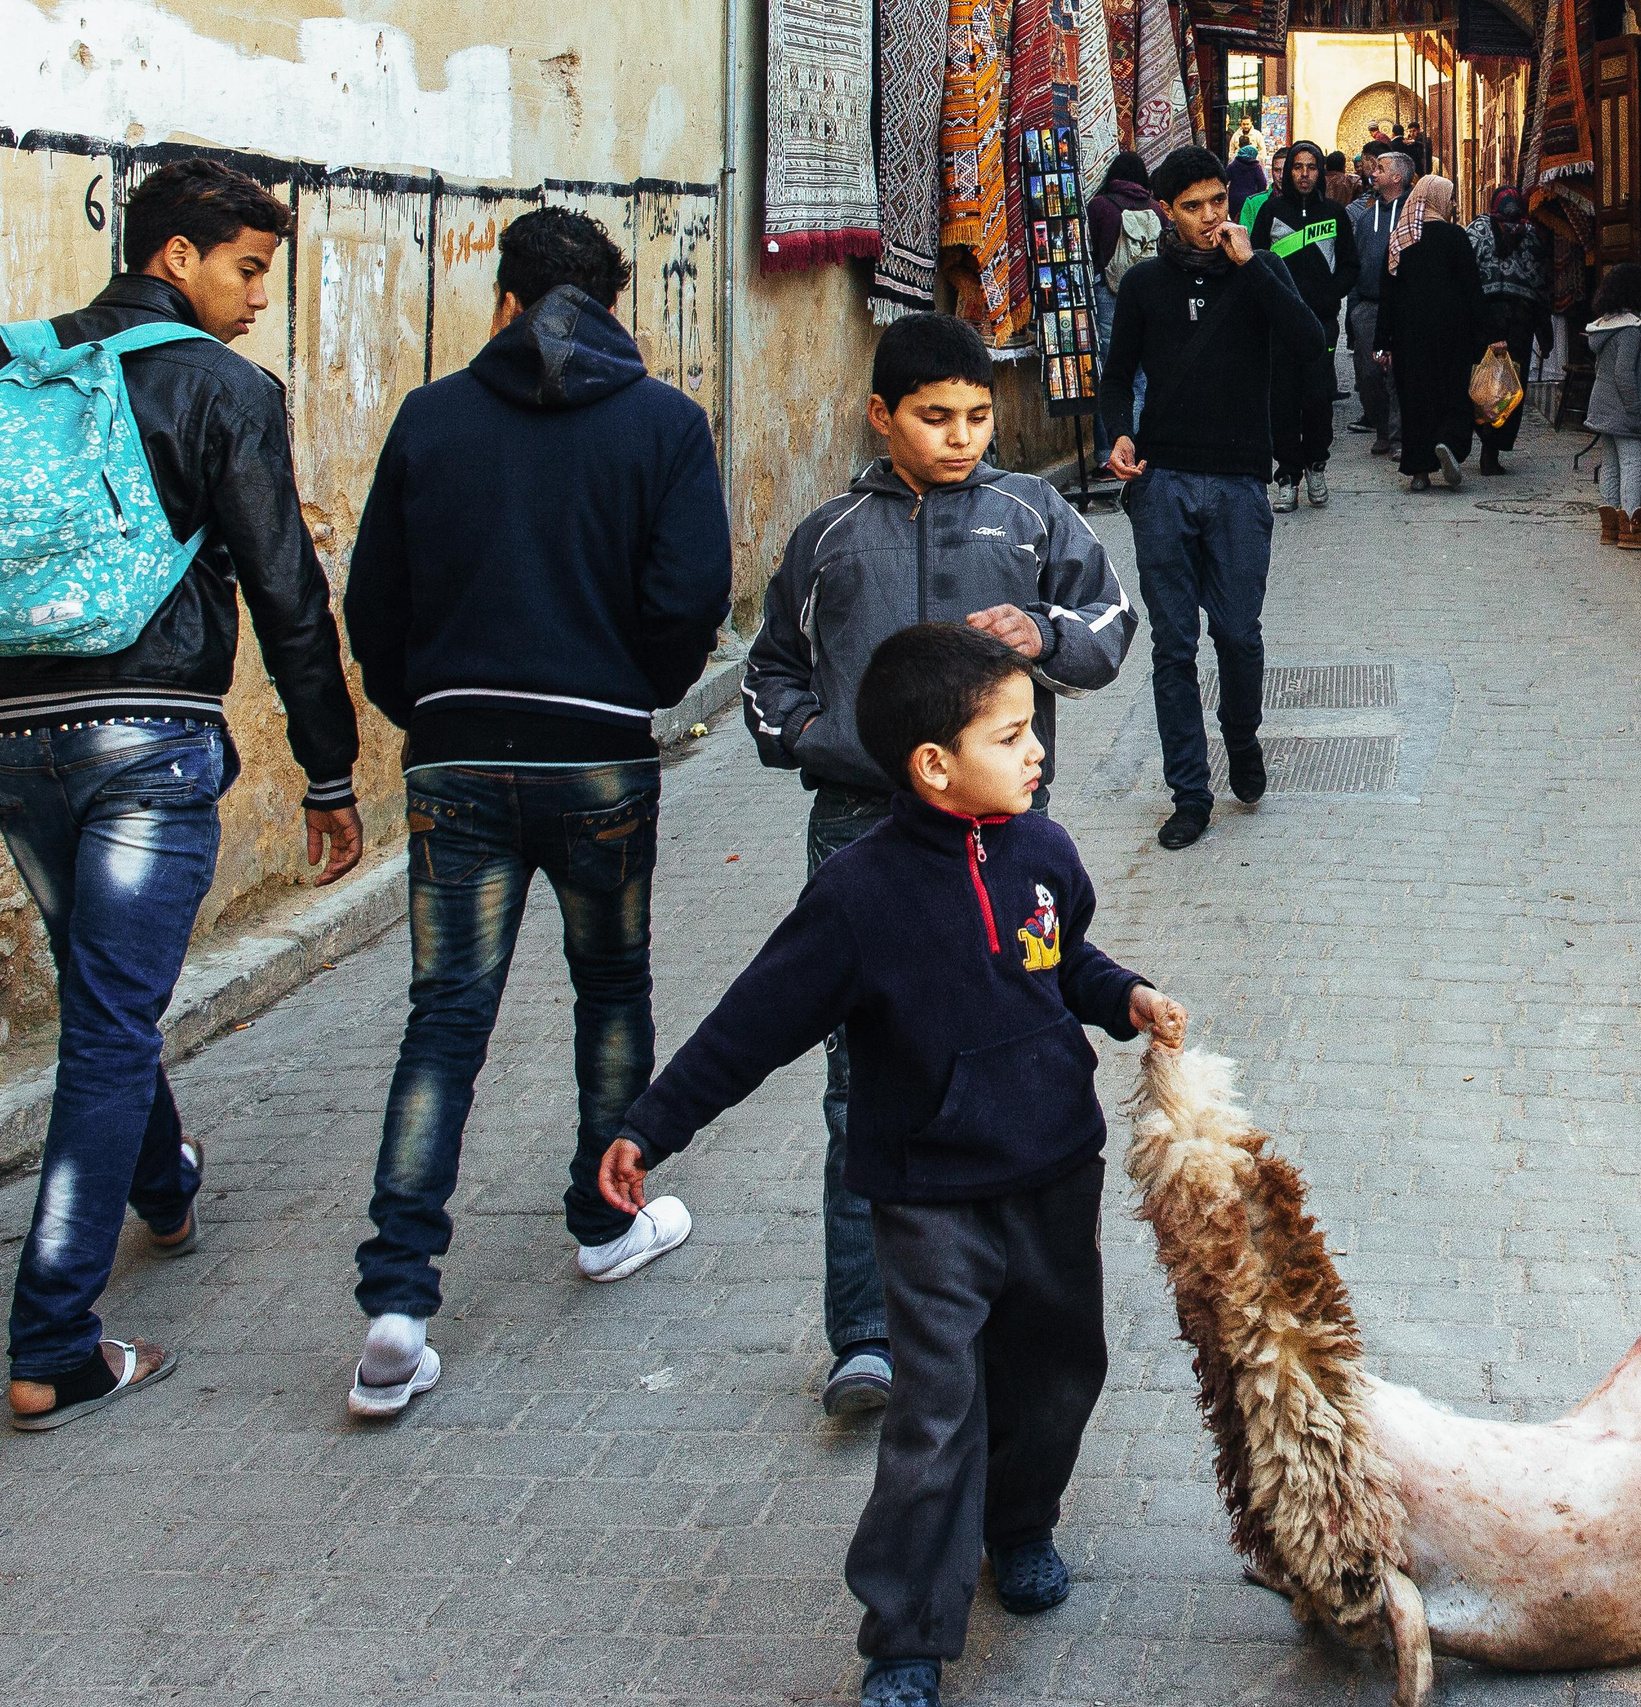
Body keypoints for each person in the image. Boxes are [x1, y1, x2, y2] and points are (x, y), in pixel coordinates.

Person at [600, 622, 1187, 1707]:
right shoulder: (859, 896)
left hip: (1057, 1172)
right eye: (1011, 736)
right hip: (927, 1198)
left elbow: (1065, 965)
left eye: (1032, 731)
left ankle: (1019, 1527)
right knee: (936, 1410)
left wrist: (1125, 997)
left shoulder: (1044, 853)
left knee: (1059, 1375)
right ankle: (907, 1634)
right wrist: (652, 1124)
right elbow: (754, 1021)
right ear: (933, 765)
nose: (1036, 752)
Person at [339, 207, 732, 1417]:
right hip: (600, 758)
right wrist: (631, 695)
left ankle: (398, 1299)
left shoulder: (431, 414)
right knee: (610, 988)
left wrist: (432, 712)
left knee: (444, 1018)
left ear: (502, 301)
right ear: (614, 304)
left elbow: (375, 604)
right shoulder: (664, 423)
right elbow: (692, 596)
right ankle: (603, 1221)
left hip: (454, 755)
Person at [0, 159, 364, 1432]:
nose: (259, 297)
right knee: (108, 1024)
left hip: (14, 736)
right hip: (146, 740)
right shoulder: (221, 389)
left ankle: (163, 1183)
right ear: (175, 259)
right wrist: (331, 769)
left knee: (104, 985)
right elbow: (285, 592)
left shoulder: (21, 368)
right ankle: (52, 1339)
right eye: (249, 269)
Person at [740, 313, 1132, 1418]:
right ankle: (865, 1332)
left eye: (974, 417)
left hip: (1005, 844)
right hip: (860, 832)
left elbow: (1110, 621)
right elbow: (773, 668)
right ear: (882, 416)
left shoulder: (1032, 514)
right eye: (933, 418)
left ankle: (1012, 1305)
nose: (960, 438)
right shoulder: (829, 535)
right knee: (861, 1078)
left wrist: (1045, 638)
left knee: (1021, 1046)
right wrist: (814, 740)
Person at [1100, 146, 1326, 851]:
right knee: (1173, 646)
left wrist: (1252, 264)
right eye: (1193, 206)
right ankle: (1189, 794)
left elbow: (1310, 342)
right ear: (1166, 209)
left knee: (1236, 632)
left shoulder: (1260, 272)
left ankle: (1243, 737)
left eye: (1218, 204)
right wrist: (1118, 435)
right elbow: (1116, 378)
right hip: (1163, 483)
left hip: (1236, 484)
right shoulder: (1143, 287)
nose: (1208, 219)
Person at [1249, 140, 1355, 512]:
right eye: (1297, 167)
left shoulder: (1336, 215)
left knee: (1316, 398)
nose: (1304, 174)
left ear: (1320, 172)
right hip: (1279, 328)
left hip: (1321, 325)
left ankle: (1316, 466)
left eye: (1311, 167)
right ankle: (1287, 476)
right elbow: (1256, 264)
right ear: (1287, 172)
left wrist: (1330, 295)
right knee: (1282, 401)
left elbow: (1349, 267)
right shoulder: (1270, 212)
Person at [1375, 173, 1488, 493]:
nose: (1453, 204)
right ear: (1437, 200)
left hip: (1409, 337)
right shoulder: (1455, 237)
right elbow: (1472, 289)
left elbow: (1388, 293)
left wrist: (1382, 341)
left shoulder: (1400, 238)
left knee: (1415, 401)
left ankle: (1419, 472)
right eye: (1450, 198)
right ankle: (1449, 446)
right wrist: (1487, 332)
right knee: (1452, 394)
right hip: (1453, 334)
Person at [1581, 262, 1641, 550]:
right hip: (1623, 411)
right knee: (1634, 462)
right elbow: (1623, 373)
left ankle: (1610, 525)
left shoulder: (1604, 327)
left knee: (1610, 464)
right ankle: (1631, 525)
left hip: (1603, 407)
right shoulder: (1630, 329)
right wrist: (1634, 408)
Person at [1467, 187, 1551, 475]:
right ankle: (1492, 450)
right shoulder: (1532, 237)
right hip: (1519, 322)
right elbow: (1540, 286)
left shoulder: (1476, 230)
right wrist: (1545, 332)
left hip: (1481, 319)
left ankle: (1477, 435)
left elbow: (1465, 275)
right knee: (1510, 385)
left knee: (1480, 379)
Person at [1345, 151, 1413, 455]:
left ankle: (1399, 436)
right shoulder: (1366, 214)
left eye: (1381, 169)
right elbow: (1356, 260)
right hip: (1368, 306)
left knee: (1401, 373)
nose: (1374, 173)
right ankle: (1381, 427)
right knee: (1369, 373)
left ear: (1397, 177)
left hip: (1402, 307)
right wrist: (1355, 305)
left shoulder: (1412, 213)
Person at [1087, 150, 1159, 411]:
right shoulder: (1156, 209)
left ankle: (1107, 446)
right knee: (1140, 375)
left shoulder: (1099, 206)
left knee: (1109, 372)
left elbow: (1092, 251)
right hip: (1148, 296)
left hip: (1110, 292)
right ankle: (1136, 441)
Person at [1224, 142, 1267, 213]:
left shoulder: (1233, 165)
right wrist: (1258, 196)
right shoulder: (1256, 167)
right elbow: (1262, 183)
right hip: (1251, 199)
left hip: (1234, 199)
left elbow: (1224, 180)